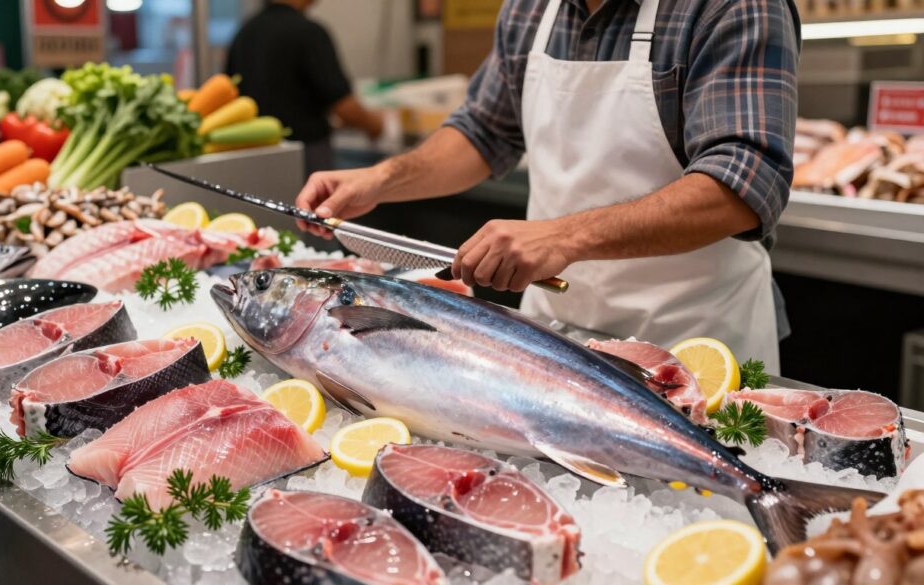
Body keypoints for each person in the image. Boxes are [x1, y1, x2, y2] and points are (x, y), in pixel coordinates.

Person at [295, 0, 799, 374]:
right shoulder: (529, 9)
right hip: (557, 336)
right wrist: (381, 179)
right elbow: (485, 130)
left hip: (695, 342)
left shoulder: (730, 6)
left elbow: (744, 181)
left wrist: (562, 238)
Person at [225, 0, 383, 175]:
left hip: (254, 155)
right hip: (305, 155)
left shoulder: (243, 33)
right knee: (309, 201)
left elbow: (231, 96)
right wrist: (374, 125)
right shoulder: (309, 33)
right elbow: (343, 106)